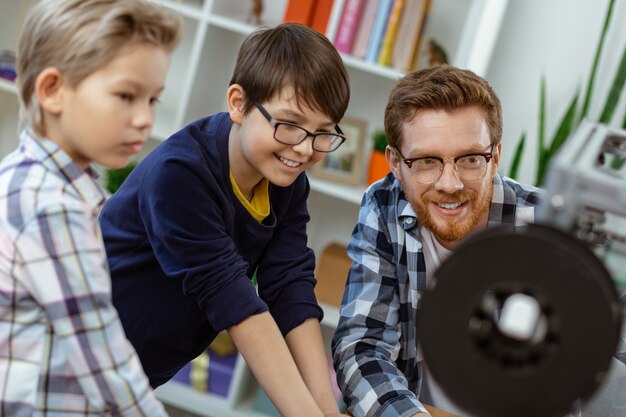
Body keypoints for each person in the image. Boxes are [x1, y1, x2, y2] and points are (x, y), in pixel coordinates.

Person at [98, 23, 351, 417]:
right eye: (289, 125)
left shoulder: (284, 181)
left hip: (135, 377)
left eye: (322, 134)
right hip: (66, 360)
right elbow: (235, 304)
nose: (303, 149)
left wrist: (326, 408)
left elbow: (289, 285)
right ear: (238, 103)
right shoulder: (180, 174)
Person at [0, 1, 181, 416]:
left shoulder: (25, 174)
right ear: (52, 90)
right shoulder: (51, 209)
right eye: (126, 96)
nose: (144, 119)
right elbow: (107, 364)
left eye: (153, 99)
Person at [331, 64, 542, 417]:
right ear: (396, 163)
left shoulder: (544, 224)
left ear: (496, 158)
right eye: (428, 161)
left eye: (471, 159)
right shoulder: (384, 206)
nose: (450, 184)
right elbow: (362, 346)